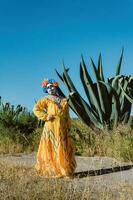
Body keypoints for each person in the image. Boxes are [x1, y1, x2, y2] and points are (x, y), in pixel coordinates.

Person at [33, 78, 77, 178]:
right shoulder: (46, 99)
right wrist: (45, 116)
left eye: (52, 86)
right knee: (51, 147)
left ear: (55, 87)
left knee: (63, 147)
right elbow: (36, 109)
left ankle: (63, 170)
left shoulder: (63, 100)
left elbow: (67, 115)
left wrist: (68, 126)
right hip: (50, 126)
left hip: (61, 127)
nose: (50, 89)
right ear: (46, 90)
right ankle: (52, 171)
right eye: (48, 88)